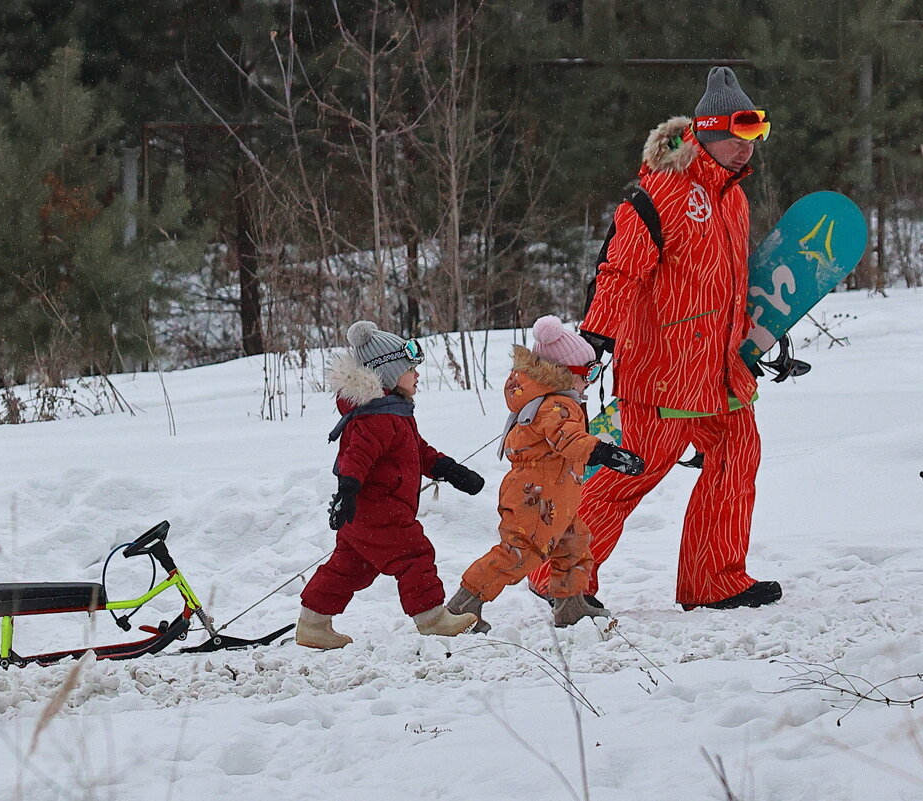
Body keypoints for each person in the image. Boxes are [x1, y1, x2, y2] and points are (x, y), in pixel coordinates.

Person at [526, 67, 782, 612]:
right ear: (709, 133)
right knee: (631, 473)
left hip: (720, 371)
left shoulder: (734, 199)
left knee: (737, 457)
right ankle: (558, 574)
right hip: (663, 369)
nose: (747, 148)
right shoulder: (662, 191)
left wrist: (757, 337)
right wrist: (595, 338)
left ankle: (715, 581)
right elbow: (620, 271)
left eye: (755, 136)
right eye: (739, 136)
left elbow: (731, 283)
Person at [445, 316, 644, 630]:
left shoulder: (553, 401)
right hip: (536, 495)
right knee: (519, 553)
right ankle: (463, 606)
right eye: (589, 373)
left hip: (556, 492)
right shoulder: (556, 406)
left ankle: (570, 604)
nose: (591, 381)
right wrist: (605, 453)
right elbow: (568, 439)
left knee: (574, 544)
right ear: (563, 373)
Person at [297, 320, 486, 649]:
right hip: (379, 510)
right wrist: (347, 491)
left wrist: (451, 470)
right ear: (387, 373)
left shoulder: (393, 412)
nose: (417, 375)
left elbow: (418, 452)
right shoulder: (376, 418)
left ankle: (312, 624)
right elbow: (355, 458)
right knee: (414, 554)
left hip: (367, 514)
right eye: (410, 369)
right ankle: (432, 619)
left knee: (350, 568)